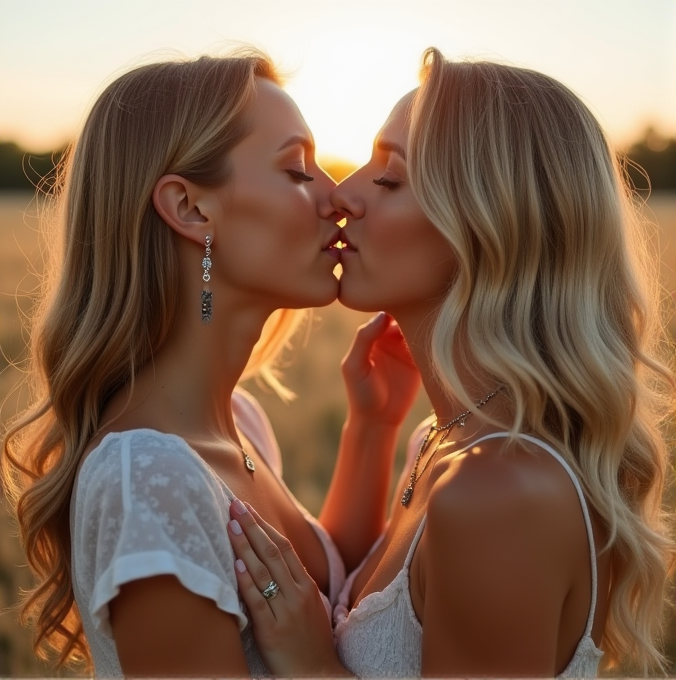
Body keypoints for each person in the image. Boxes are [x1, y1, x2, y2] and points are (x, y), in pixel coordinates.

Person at [227, 47, 676, 677]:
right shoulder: (439, 446)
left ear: (489, 226)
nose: (343, 195)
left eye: (388, 179)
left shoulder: (498, 493)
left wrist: (310, 665)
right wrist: (372, 428)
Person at [0, 48, 387, 677]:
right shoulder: (149, 478)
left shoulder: (240, 421)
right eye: (296, 170)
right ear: (190, 209)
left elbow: (327, 587)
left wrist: (372, 425)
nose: (337, 196)